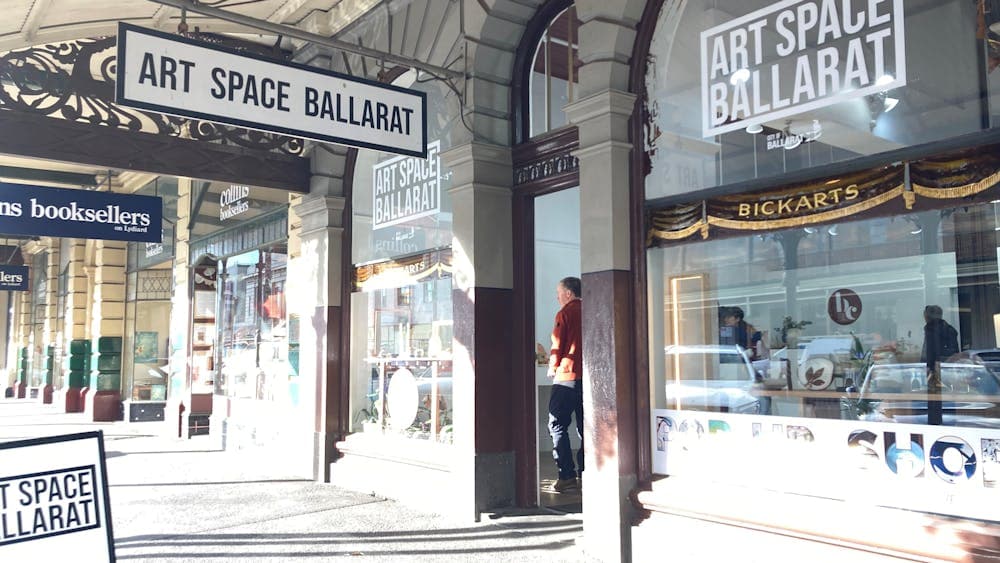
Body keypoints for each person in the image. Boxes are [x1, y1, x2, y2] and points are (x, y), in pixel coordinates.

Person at [547, 276, 584, 493]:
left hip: (567, 375)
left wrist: (553, 367)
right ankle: (586, 471)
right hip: (588, 377)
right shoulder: (591, 309)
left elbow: (558, 344)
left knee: (557, 423)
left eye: (559, 292)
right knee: (585, 426)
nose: (557, 296)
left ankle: (567, 475)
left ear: (568, 293)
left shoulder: (565, 313)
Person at [921, 304, 959, 386]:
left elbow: (930, 350)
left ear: (928, 316)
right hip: (949, 367)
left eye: (925, 315)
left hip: (936, 368)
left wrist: (929, 367)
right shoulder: (950, 329)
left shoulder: (931, 329)